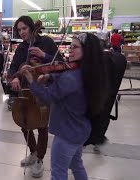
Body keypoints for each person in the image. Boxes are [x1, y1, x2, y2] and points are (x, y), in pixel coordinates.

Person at [21, 33, 108, 179]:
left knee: (58, 172)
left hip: (67, 133)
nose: (70, 50)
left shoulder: (70, 77)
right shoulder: (89, 71)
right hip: (81, 129)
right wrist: (50, 76)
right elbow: (68, 78)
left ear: (86, 50)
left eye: (75, 47)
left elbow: (48, 97)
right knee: (76, 165)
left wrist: (32, 81)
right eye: (70, 46)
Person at [7, 16, 62, 178]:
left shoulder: (47, 43)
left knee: (42, 126)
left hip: (42, 90)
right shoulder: (21, 48)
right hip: (25, 92)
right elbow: (13, 68)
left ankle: (39, 159)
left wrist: (44, 55)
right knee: (24, 124)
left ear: (32, 28)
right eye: (19, 29)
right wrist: (15, 77)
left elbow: (60, 63)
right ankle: (33, 152)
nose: (22, 32)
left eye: (24, 28)